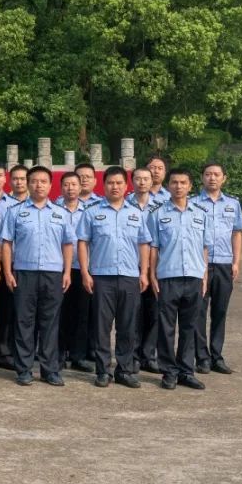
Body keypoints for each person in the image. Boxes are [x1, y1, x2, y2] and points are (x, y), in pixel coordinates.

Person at [76, 166, 151, 389]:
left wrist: (144, 272)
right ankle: (103, 371)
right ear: (104, 185)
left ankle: (125, 370)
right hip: (101, 277)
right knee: (101, 327)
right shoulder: (91, 212)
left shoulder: (136, 213)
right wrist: (85, 272)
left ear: (126, 186)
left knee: (128, 326)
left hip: (129, 277)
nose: (115, 186)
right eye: (110, 183)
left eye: (119, 183)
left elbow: (144, 243)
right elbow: (82, 242)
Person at [0, 166, 74, 387]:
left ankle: (49, 369)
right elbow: (6, 243)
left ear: (51, 186)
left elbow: (68, 244)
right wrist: (7, 271)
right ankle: (23, 369)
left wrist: (67, 272)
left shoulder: (61, 213)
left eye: (43, 181)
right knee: (24, 322)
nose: (38, 185)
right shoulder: (15, 212)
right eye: (34, 181)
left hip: (53, 274)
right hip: (24, 273)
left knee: (50, 323)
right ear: (28, 184)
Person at [148, 168, 212, 390]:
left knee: (189, 326)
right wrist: (152, 275)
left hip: (194, 277)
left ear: (190, 186)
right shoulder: (157, 214)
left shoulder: (200, 213)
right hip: (168, 276)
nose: (178, 186)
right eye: (174, 182)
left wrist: (204, 275)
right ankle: (169, 372)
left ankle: (186, 371)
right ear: (168, 186)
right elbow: (154, 248)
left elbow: (205, 248)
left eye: (183, 182)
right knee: (166, 327)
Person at [193, 162, 242, 375]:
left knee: (220, 312)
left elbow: (236, 233)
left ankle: (217, 356)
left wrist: (236, 262)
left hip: (224, 264)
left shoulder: (232, 204)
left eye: (216, 174)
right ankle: (202, 357)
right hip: (200, 265)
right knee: (198, 312)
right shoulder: (193, 203)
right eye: (207, 174)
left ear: (224, 177)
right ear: (202, 178)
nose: (212, 178)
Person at [0, 163, 28, 370]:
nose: (19, 182)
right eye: (16, 178)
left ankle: (5, 354)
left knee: (8, 311)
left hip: (10, 263)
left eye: (23, 179)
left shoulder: (15, 206)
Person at [127, 167, 163, 373]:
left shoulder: (161, 207)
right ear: (132, 182)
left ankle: (149, 355)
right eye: (138, 179)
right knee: (132, 314)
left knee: (154, 313)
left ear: (152, 182)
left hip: (156, 268)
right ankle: (133, 355)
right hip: (131, 267)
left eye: (146, 179)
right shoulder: (125, 205)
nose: (142, 182)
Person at [57, 172, 92, 372]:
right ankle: (59, 353)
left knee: (81, 313)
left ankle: (78, 356)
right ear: (61, 188)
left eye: (74, 184)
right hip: (59, 269)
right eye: (66, 185)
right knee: (59, 313)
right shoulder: (54, 209)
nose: (70, 188)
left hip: (82, 268)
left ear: (80, 188)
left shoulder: (89, 211)